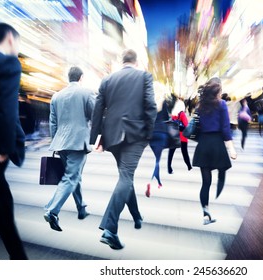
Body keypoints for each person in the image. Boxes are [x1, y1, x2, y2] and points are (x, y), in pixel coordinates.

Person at [90, 50, 157, 250]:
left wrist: (95, 139)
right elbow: (151, 106)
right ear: (136, 62)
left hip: (112, 136)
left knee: (125, 177)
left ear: (123, 61)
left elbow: (98, 110)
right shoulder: (144, 76)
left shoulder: (107, 80)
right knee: (126, 177)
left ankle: (136, 216)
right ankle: (110, 229)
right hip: (135, 134)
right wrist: (149, 134)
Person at [44, 67, 95, 231]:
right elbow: (95, 116)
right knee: (71, 178)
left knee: (73, 175)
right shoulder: (87, 93)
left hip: (61, 143)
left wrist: (56, 142)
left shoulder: (56, 96)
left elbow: (53, 122)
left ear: (69, 78)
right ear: (81, 77)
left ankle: (81, 208)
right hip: (78, 143)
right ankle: (52, 210)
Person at [0, 23, 28, 259]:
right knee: (3, 210)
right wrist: (4, 149)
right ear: (9, 39)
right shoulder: (8, 64)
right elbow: (6, 110)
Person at [193, 78, 237, 225]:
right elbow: (225, 128)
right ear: (218, 91)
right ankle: (220, 185)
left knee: (205, 183)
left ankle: (205, 213)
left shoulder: (200, 106)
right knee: (223, 168)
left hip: (204, 144)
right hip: (217, 143)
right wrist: (231, 149)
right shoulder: (222, 104)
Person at [145, 95, 172, 198]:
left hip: (152, 133)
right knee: (157, 160)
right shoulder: (163, 102)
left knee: (156, 160)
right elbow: (167, 117)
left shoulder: (149, 101)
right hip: (161, 132)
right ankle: (151, 181)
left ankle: (158, 181)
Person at [167, 98, 192, 174]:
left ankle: (169, 168)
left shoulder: (173, 115)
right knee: (185, 153)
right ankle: (189, 166)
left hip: (174, 136)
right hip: (182, 137)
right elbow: (186, 126)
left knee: (171, 153)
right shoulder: (182, 114)